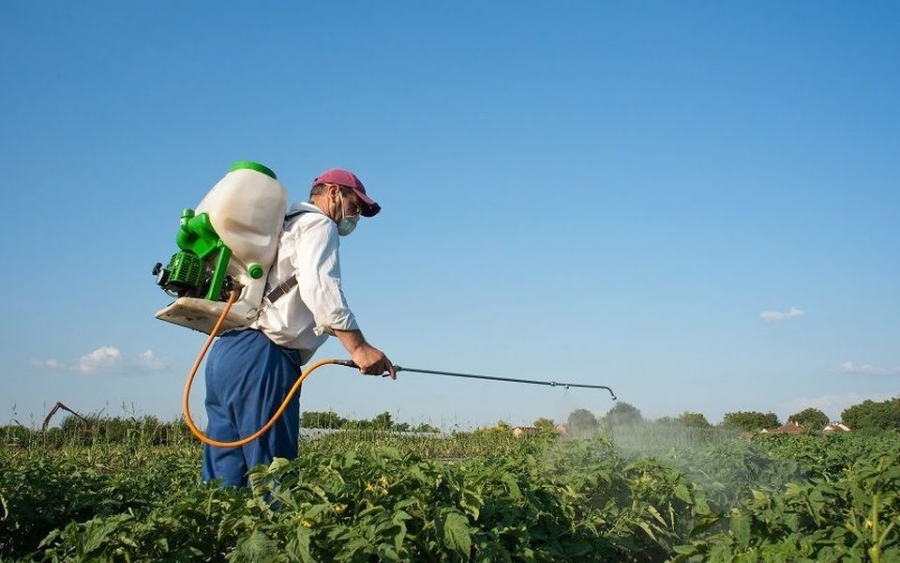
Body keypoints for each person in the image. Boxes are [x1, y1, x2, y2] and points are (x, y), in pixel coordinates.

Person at [201, 168, 396, 487]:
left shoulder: (283, 226)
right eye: (355, 205)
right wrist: (359, 349)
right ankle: (275, 536)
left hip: (227, 351)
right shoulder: (319, 224)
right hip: (265, 357)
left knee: (223, 480)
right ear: (333, 192)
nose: (356, 216)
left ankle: (219, 537)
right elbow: (321, 286)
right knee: (273, 476)